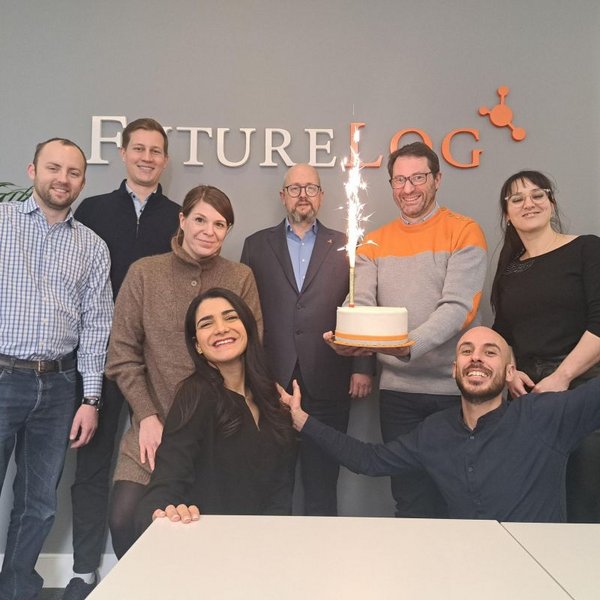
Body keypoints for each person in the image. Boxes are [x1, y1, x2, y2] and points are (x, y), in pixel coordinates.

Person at [286, 327, 600, 522]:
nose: (476, 358)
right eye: (467, 351)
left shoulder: (545, 416)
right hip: (465, 570)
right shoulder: (434, 432)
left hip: (539, 572)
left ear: (509, 373)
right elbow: (370, 460)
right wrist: (302, 420)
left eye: (490, 353)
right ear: (454, 370)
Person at [329, 142, 487, 518]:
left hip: (455, 390)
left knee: (459, 496)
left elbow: (458, 309)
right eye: (399, 180)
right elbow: (362, 304)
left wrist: (406, 346)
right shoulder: (373, 243)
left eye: (418, 178)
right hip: (398, 393)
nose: (408, 188)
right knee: (410, 496)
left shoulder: (464, 232)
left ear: (437, 180)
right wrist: (352, 341)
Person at [105, 184, 262, 558]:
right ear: (182, 220)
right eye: (200, 220)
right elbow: (121, 353)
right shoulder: (144, 273)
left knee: (205, 526)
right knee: (125, 518)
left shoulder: (240, 277)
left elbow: (251, 349)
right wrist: (146, 415)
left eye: (220, 224)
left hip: (219, 430)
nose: (209, 231)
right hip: (153, 425)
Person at [64, 118, 181, 599]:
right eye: (139, 148)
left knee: (162, 462)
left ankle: (160, 571)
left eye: (156, 150)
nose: (147, 157)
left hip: (156, 368)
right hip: (96, 360)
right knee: (91, 467)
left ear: (165, 159)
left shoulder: (179, 216)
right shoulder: (92, 210)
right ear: (123, 153)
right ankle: (86, 569)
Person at [0, 138, 112, 600]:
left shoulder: (92, 246)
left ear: (83, 182)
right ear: (32, 170)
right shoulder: (2, 224)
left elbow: (97, 325)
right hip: (3, 376)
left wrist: (90, 399)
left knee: (39, 504)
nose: (62, 179)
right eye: (53, 168)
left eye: (72, 172)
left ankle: (17, 590)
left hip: (61, 385)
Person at [240, 164, 372, 516]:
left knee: (323, 484)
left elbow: (362, 305)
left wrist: (362, 366)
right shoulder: (255, 245)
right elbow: (246, 318)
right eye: (295, 188)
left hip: (329, 379)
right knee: (273, 482)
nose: (303, 195)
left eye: (311, 188)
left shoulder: (347, 245)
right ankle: (274, 566)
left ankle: (321, 567)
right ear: (282, 196)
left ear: (322, 196)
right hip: (271, 384)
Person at [134, 288, 295, 535]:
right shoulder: (195, 394)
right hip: (212, 546)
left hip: (265, 545)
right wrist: (164, 511)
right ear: (197, 345)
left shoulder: (272, 398)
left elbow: (281, 490)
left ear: (248, 327)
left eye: (230, 317)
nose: (221, 328)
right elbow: (165, 484)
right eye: (206, 323)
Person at [491, 170, 600, 523]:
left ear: (551, 204)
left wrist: (563, 376)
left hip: (584, 392)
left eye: (538, 195)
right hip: (528, 398)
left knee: (585, 502)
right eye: (517, 199)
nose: (529, 204)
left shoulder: (587, 248)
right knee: (536, 506)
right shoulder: (509, 270)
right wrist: (509, 372)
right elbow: (502, 331)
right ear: (507, 214)